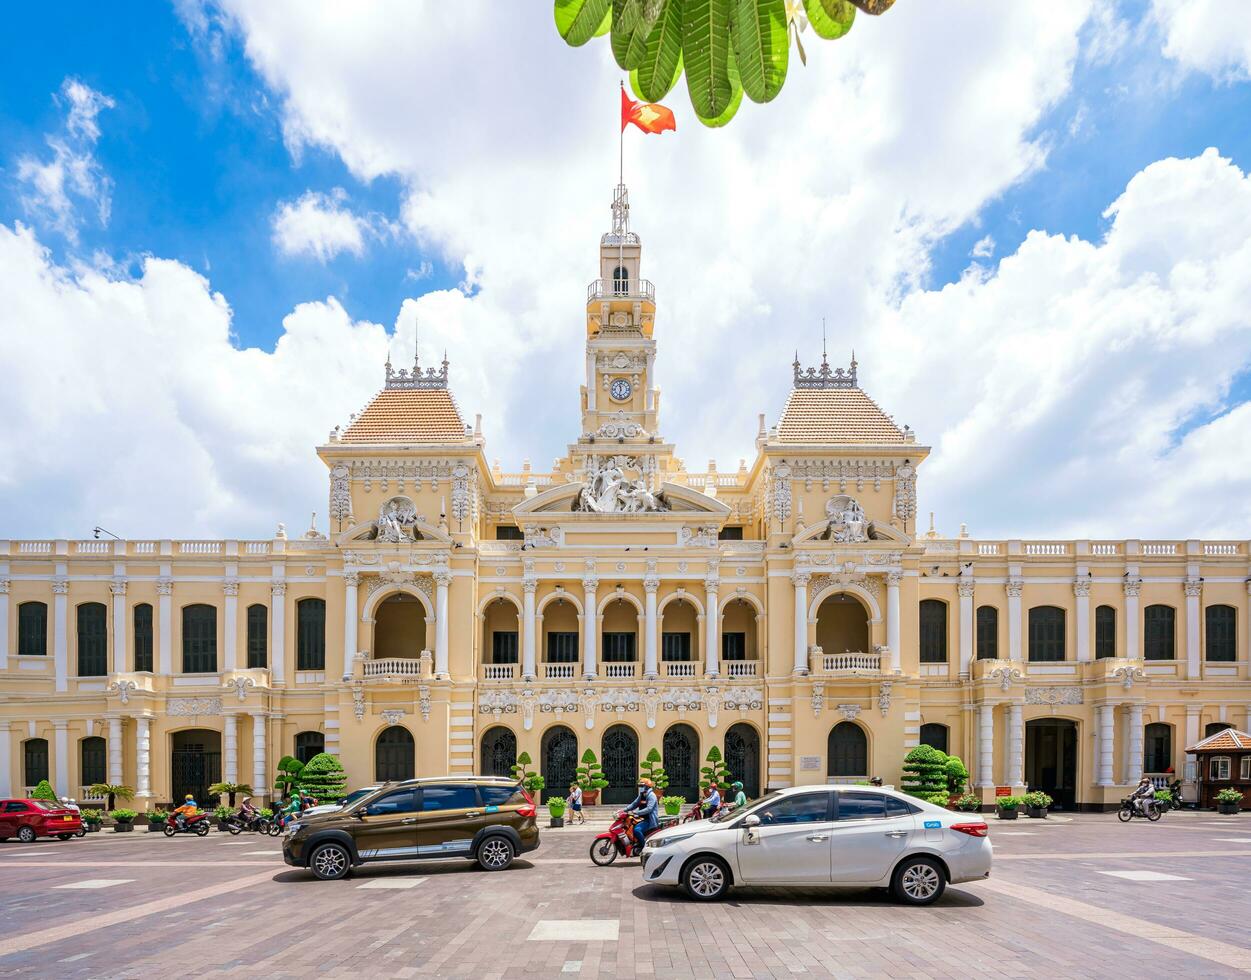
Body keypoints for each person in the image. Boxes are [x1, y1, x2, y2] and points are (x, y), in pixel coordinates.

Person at [626, 779, 658, 854]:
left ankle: (644, 847)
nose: (640, 787)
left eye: (642, 786)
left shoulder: (651, 796)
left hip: (649, 820)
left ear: (647, 786)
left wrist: (637, 812)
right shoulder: (642, 795)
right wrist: (624, 810)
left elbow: (649, 809)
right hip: (641, 818)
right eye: (639, 786)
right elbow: (634, 804)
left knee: (637, 830)